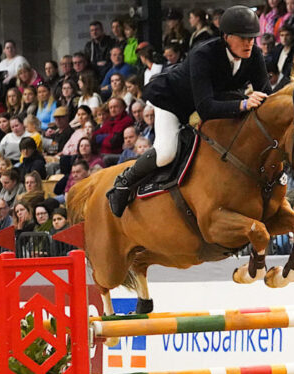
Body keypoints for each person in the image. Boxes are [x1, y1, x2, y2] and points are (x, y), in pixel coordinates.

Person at [107, 6, 271, 217]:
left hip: (208, 106)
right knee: (167, 153)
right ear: (227, 37)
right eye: (243, 38)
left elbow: (266, 94)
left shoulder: (254, 54)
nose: (249, 43)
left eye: (252, 38)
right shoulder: (204, 54)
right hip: (173, 102)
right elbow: (206, 107)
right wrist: (243, 104)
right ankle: (124, 182)